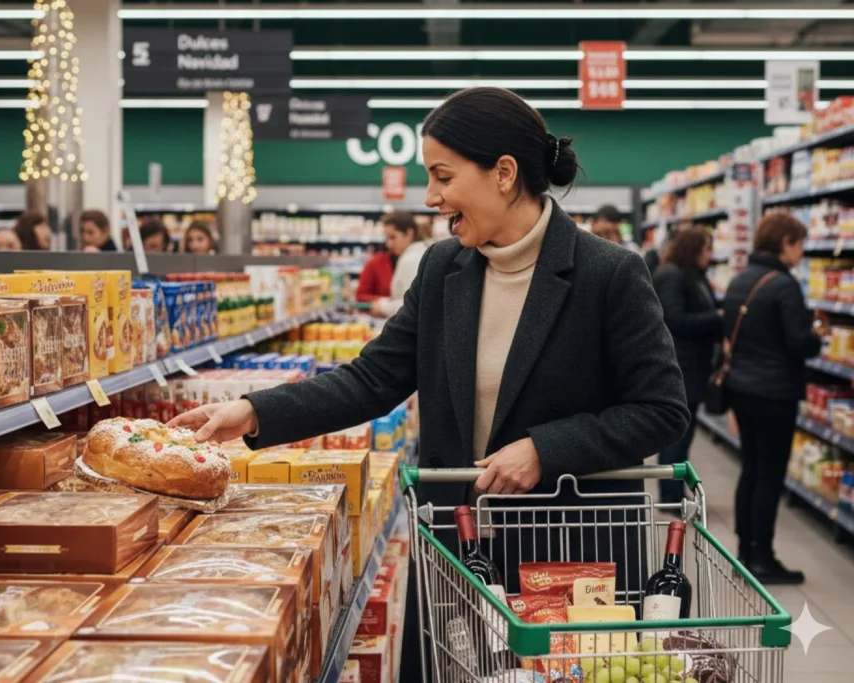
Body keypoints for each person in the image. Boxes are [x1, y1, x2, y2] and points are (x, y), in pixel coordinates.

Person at [172, 87, 689, 681]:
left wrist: (547, 449)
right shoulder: (445, 269)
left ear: (503, 173)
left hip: (570, 554)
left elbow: (661, 410)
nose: (430, 196)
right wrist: (253, 412)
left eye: (442, 176)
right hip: (460, 542)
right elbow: (373, 378)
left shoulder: (609, 274)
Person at [722, 213, 825, 585]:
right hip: (774, 393)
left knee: (750, 470)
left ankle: (745, 552)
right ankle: (763, 557)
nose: (801, 251)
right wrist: (818, 335)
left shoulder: (741, 279)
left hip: (742, 389)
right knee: (769, 476)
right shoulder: (783, 286)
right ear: (785, 243)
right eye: (798, 243)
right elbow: (799, 343)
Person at [653, 228, 723, 505]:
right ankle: (670, 495)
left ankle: (675, 490)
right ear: (692, 249)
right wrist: (716, 318)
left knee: (685, 430)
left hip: (694, 365)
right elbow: (676, 320)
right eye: (706, 249)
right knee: (676, 432)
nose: (710, 255)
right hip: (680, 365)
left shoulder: (693, 276)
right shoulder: (672, 276)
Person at [371, 212, 429, 318]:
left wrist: (382, 306)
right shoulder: (423, 252)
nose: (388, 244)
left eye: (393, 237)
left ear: (409, 234)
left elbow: (409, 306)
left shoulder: (410, 260)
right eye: (387, 238)